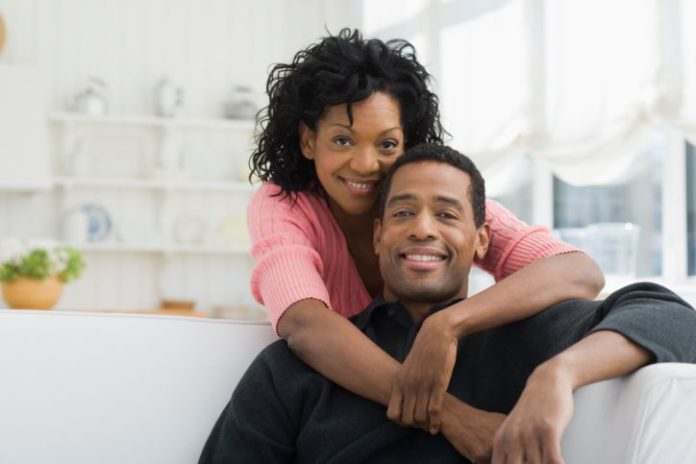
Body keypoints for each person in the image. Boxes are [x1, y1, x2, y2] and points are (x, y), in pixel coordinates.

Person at [201, 144, 696, 463]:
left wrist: (557, 375)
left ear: (482, 241)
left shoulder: (529, 336)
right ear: (377, 236)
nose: (422, 228)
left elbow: (673, 318)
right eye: (403, 212)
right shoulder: (296, 369)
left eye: (445, 213)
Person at [247, 28, 604, 433]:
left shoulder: (436, 203)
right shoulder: (283, 204)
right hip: (341, 409)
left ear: (408, 144)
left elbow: (580, 272)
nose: (366, 164)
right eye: (343, 140)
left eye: (386, 145)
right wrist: (452, 417)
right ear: (309, 140)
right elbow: (303, 323)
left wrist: (448, 326)